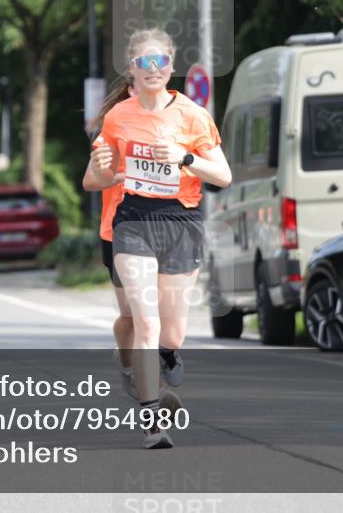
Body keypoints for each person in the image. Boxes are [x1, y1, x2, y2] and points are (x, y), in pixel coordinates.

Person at [93, 29, 231, 449]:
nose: (153, 69)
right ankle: (151, 419)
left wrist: (184, 158)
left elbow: (222, 176)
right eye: (144, 62)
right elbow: (97, 177)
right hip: (132, 220)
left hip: (181, 221)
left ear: (171, 67)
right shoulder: (119, 117)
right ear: (132, 68)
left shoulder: (192, 115)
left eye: (160, 62)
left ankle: (161, 358)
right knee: (146, 323)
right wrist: (102, 168)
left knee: (172, 335)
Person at [82, 76, 136, 398]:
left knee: (153, 315)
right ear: (130, 89)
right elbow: (90, 181)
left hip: (160, 228)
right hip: (117, 230)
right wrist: (120, 175)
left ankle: (152, 386)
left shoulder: (174, 125)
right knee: (130, 317)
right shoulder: (114, 127)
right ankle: (127, 362)